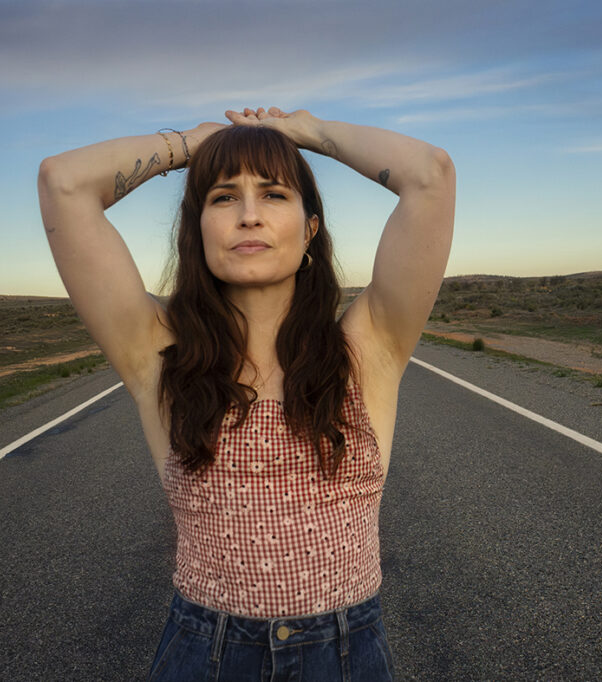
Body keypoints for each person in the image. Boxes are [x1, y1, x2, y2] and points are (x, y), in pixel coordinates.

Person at [37, 106, 455, 680]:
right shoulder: (158, 354)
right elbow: (63, 182)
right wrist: (196, 143)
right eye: (224, 197)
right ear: (198, 229)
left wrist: (306, 133)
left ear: (310, 230)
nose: (249, 215)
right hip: (202, 655)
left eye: (274, 194)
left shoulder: (368, 349)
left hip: (345, 657)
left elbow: (430, 175)